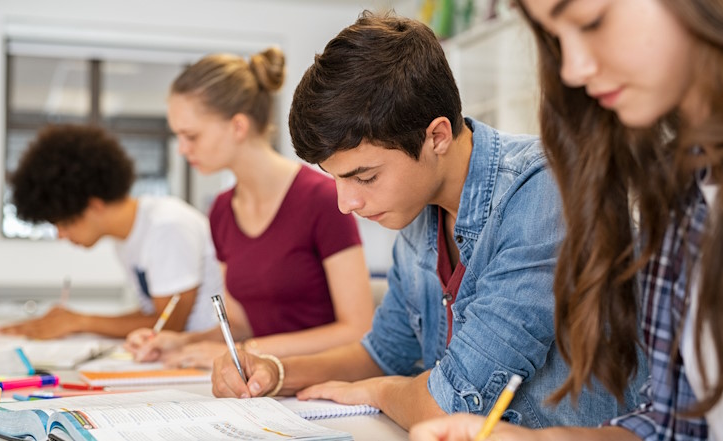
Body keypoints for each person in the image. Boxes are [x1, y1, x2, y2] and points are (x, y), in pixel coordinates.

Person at [211, 11, 643, 431]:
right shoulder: (419, 210)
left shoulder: (542, 192)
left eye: (364, 176)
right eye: (337, 179)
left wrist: (382, 392)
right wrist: (276, 370)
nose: (346, 203)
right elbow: (384, 352)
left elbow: (449, 407)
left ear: (436, 136)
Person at [410, 0, 723, 440]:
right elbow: (673, 424)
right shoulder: (683, 197)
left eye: (591, 21)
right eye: (555, 37)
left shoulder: (534, 189)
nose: (573, 69)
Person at [123, 47, 374, 368]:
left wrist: (247, 351)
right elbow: (241, 325)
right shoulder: (222, 211)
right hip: (262, 385)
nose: (183, 149)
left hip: (324, 383)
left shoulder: (324, 199)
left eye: (191, 136)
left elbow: (357, 329)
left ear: (238, 126)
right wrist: (181, 342)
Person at [0, 124, 222, 339]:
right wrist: (75, 321)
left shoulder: (167, 226)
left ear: (94, 205)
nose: (61, 236)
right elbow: (153, 315)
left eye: (64, 224)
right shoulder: (126, 239)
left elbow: (169, 325)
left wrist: (80, 322)